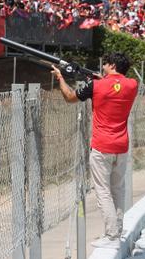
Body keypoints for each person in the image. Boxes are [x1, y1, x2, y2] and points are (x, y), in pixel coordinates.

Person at [51, 53, 138, 249]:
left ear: (112, 65)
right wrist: (102, 80)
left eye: (105, 64)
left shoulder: (97, 86)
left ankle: (111, 235)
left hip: (101, 146)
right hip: (122, 145)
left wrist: (60, 79)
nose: (103, 66)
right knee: (118, 189)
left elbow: (70, 97)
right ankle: (117, 229)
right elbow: (116, 87)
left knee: (103, 191)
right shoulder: (132, 85)